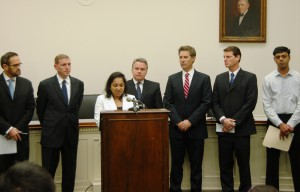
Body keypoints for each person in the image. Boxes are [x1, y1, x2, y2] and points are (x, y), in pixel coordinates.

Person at [163, 45, 212, 192]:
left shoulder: (204, 78)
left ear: (193, 58)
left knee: (196, 167)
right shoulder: (172, 79)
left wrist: (190, 121)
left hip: (196, 129)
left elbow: (206, 103)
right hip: (176, 130)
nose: (182, 60)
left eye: (185, 57)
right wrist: (178, 121)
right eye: (180, 57)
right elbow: (167, 102)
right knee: (176, 166)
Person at [212, 46, 258, 192]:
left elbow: (250, 102)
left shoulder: (250, 77)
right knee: (225, 165)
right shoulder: (220, 78)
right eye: (224, 57)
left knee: (243, 165)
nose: (225, 59)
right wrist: (223, 119)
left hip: (242, 130)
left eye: (228, 57)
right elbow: (214, 102)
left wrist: (233, 122)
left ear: (237, 57)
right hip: (223, 129)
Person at [36, 54, 84, 192]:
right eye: (63, 65)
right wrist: (50, 125)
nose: (67, 67)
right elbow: (41, 109)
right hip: (51, 134)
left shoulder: (78, 84)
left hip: (71, 134)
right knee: (48, 171)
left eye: (69, 64)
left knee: (70, 171)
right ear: (55, 66)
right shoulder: (45, 85)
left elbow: (75, 107)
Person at [262, 46, 300, 191]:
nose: (281, 59)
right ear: (274, 59)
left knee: (297, 162)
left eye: (284, 56)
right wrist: (280, 124)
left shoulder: (298, 78)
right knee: (272, 164)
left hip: (296, 122)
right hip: (274, 122)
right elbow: (266, 105)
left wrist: (289, 124)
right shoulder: (268, 79)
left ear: (289, 57)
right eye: (278, 57)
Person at [0, 52, 35, 174]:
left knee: (22, 175)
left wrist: (16, 129)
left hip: (21, 137)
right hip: (2, 136)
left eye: (19, 64)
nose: (19, 67)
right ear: (5, 66)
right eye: (15, 65)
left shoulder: (26, 84)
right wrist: (8, 129)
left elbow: (30, 109)